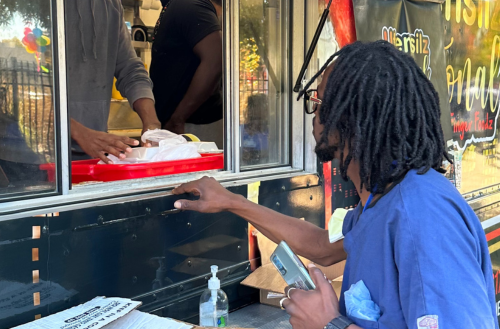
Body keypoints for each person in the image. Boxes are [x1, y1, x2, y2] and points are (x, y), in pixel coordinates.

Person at [171, 41, 497, 329]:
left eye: (322, 104)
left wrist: (331, 324)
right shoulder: (379, 199)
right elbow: (322, 248)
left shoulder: (423, 216)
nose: (314, 116)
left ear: (355, 118)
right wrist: (231, 201)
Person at [66, 0, 161, 163]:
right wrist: (77, 131)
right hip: (33, 156)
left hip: (92, 155)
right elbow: (27, 86)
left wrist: (151, 122)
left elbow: (130, 69)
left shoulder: (110, 5)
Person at [150, 0, 223, 148]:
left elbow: (215, 60)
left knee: (200, 171)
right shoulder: (178, 6)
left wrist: (178, 119)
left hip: (191, 127)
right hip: (182, 126)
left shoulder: (188, 4)